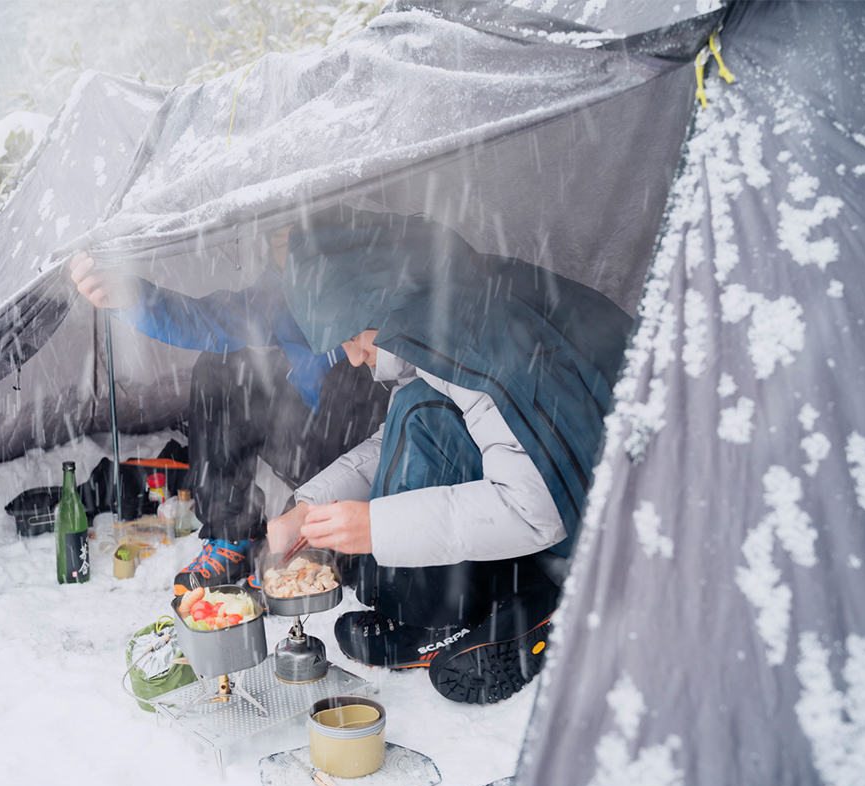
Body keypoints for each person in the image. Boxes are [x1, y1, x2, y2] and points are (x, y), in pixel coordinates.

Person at [268, 209, 631, 704]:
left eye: (352, 336)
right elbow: (396, 440)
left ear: (379, 301)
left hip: (617, 526)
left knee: (423, 413)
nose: (353, 357)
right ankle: (509, 594)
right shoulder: (440, 313)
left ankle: (437, 619)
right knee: (418, 412)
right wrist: (310, 506)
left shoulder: (472, 331)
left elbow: (535, 506)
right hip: (582, 493)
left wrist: (379, 528)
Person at [69, 227, 390, 594]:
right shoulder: (273, 298)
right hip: (305, 442)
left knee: (348, 379)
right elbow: (203, 320)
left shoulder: (370, 284)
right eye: (284, 245)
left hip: (372, 454)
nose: (297, 256)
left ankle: (332, 538)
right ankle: (233, 534)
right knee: (221, 367)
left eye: (304, 238)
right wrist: (131, 298)